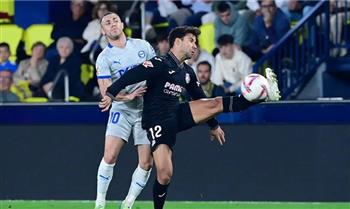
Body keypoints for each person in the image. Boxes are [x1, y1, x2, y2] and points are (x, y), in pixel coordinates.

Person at [100, 26, 280, 209]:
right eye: (191, 41)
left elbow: (199, 97)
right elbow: (131, 75)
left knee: (213, 103)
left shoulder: (187, 72)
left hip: (177, 113)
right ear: (177, 42)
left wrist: (213, 125)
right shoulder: (159, 63)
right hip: (157, 120)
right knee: (165, 174)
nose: (195, 46)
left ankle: (260, 96)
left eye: (196, 42)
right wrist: (110, 93)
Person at [94, 12, 156, 209]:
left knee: (146, 163)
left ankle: (127, 203)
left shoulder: (142, 46)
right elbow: (106, 92)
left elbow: (158, 72)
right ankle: (100, 202)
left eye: (115, 20)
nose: (112, 24)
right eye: (107, 23)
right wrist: (127, 96)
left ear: (122, 24)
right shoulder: (104, 58)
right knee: (110, 155)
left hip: (146, 110)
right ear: (103, 31)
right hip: (122, 108)